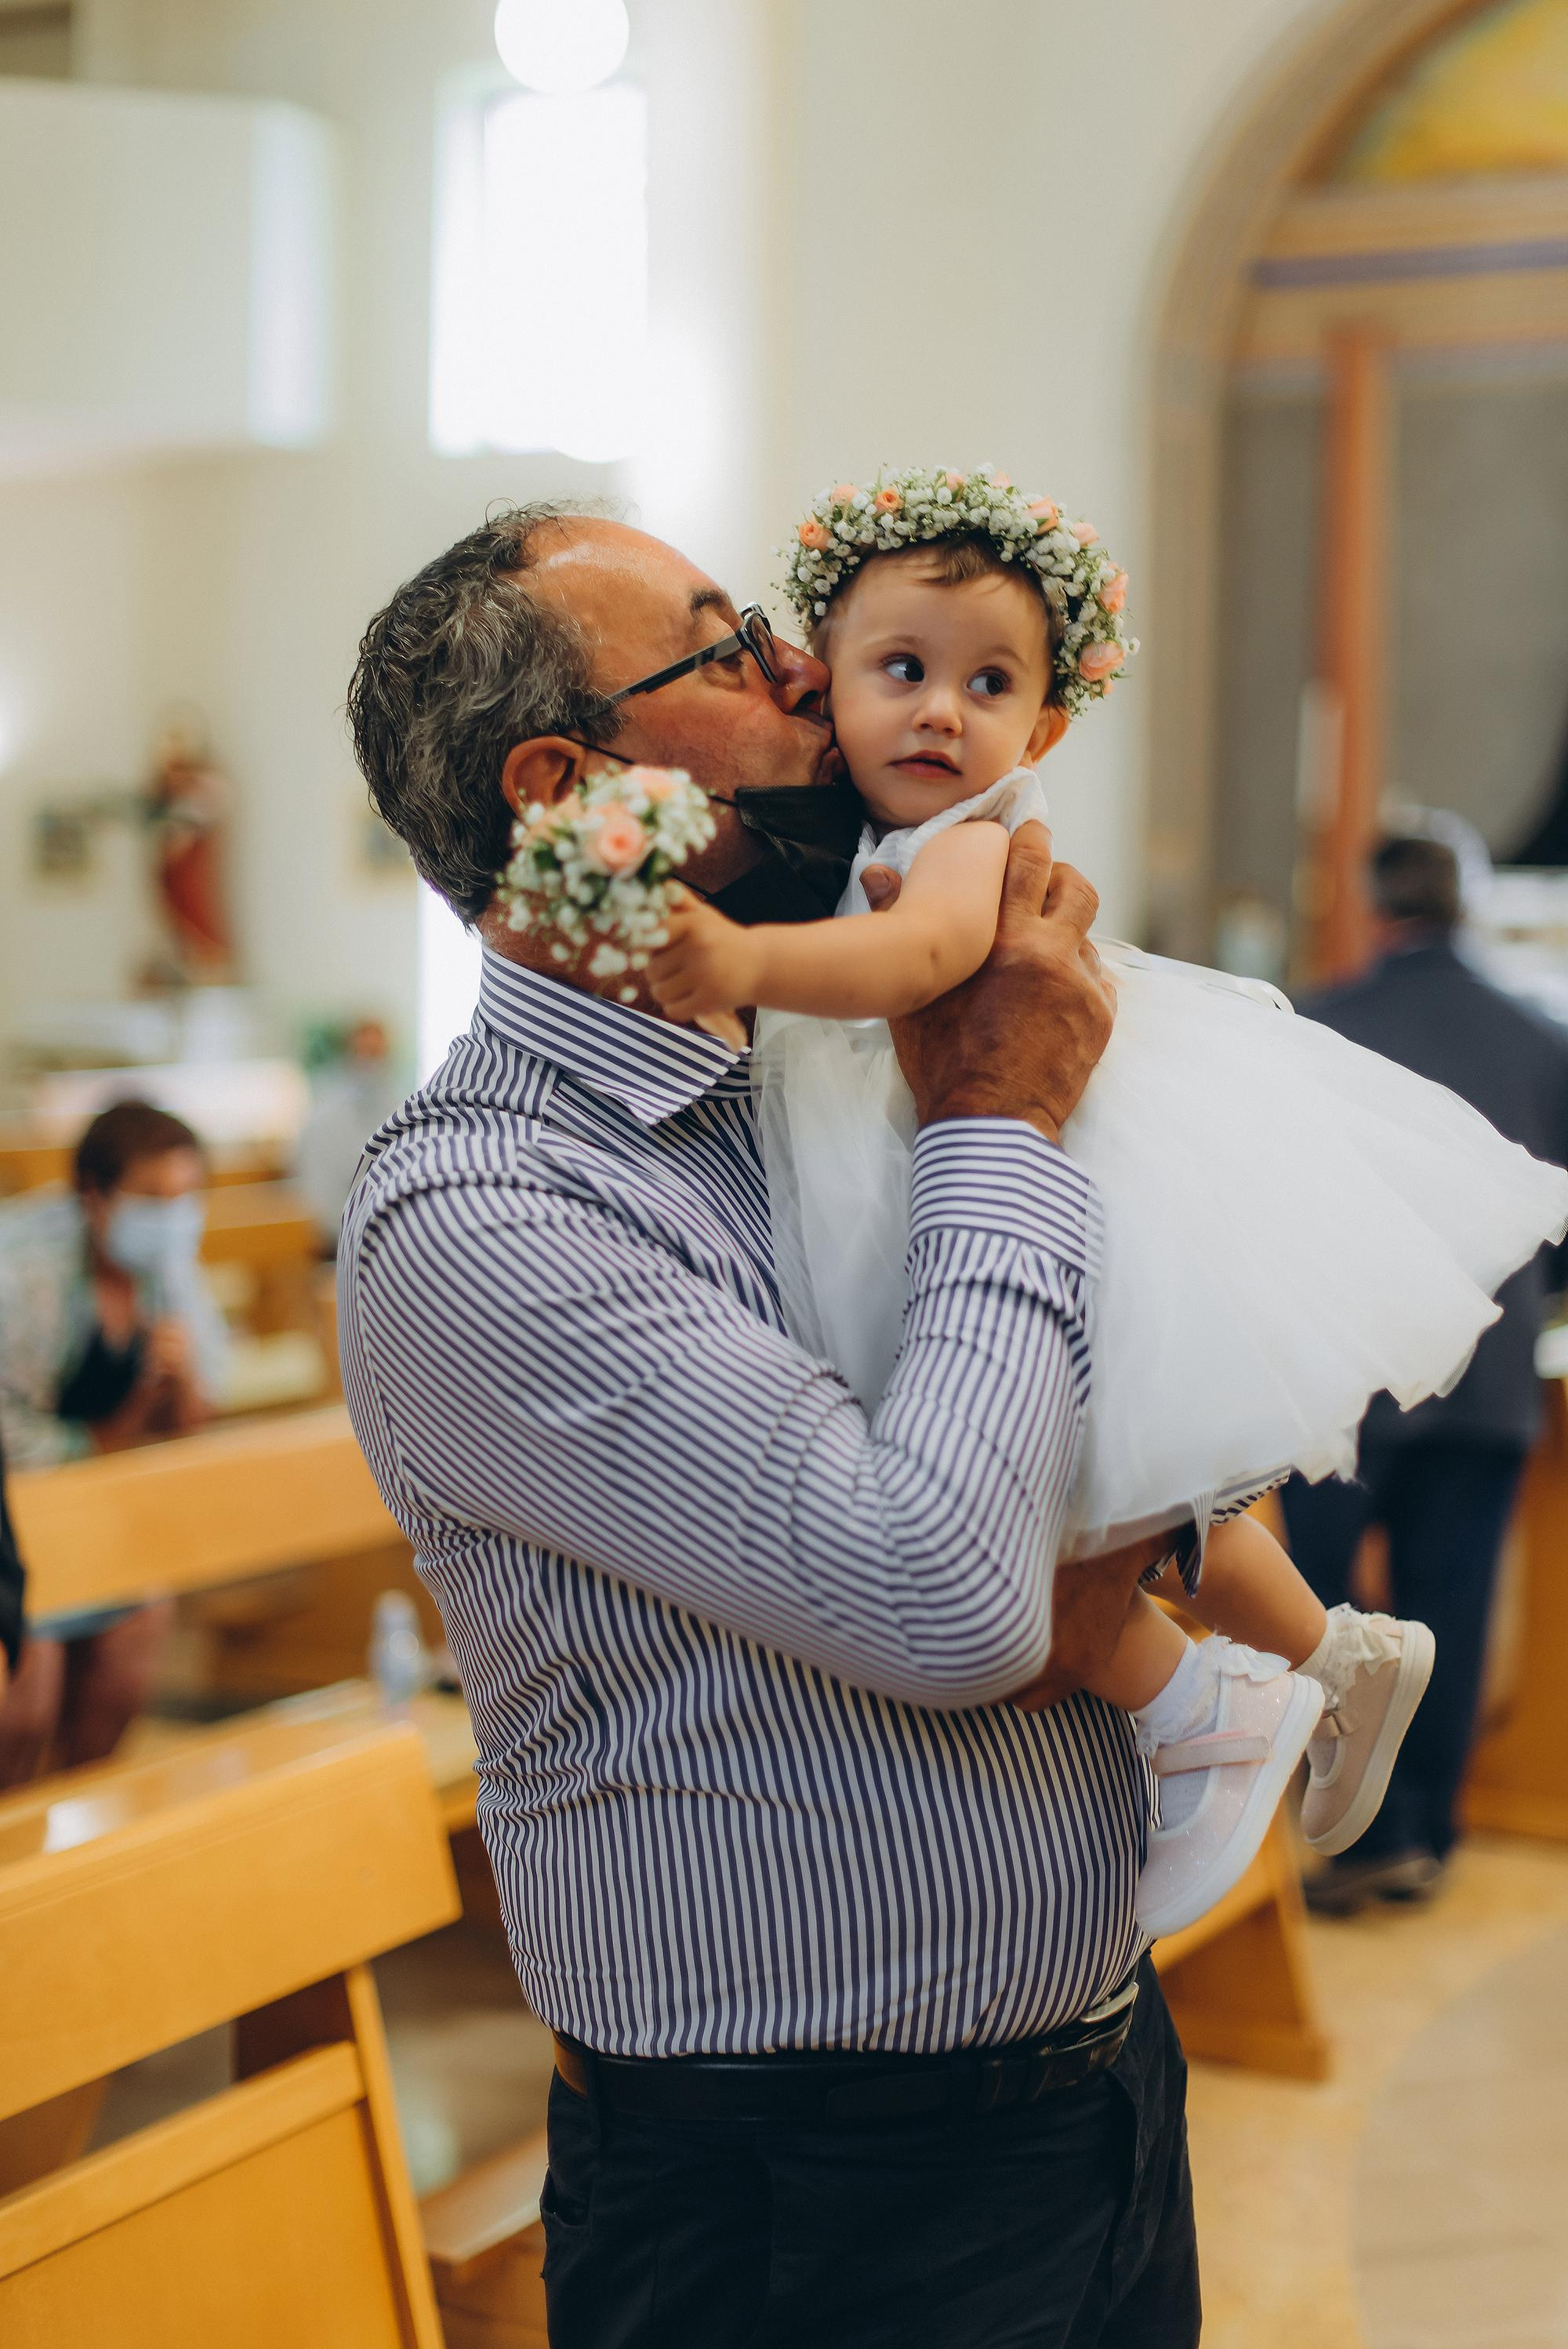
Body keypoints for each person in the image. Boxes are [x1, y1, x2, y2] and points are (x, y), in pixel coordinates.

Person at [343, 500, 1200, 2349]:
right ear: (567, 790)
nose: (812, 670)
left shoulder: (827, 1088)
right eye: (732, 649)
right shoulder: (486, 1211)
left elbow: (1118, 1435)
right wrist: (1000, 1120)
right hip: (803, 2198)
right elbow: (946, 1596)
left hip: (1093, 2099)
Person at [642, 467, 1567, 1937]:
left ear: (1044, 727)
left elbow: (913, 963)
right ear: (825, 686)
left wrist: (742, 965)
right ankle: (1335, 1656)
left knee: (1051, 1522)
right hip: (935, 1168)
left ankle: (1206, 1706)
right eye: (902, 671)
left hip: (982, 1175)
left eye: (988, 684)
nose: (941, 713)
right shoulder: (862, 842)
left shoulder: (961, 845)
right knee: (1138, 1487)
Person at [1283, 833, 1568, 1912]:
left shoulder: (1320, 1025)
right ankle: (1424, 1838)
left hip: (1354, 1372)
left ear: (1372, 907)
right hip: (1489, 1376)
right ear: (1465, 906)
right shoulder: (1542, 1040)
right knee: (1450, 1604)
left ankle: (1356, 1826)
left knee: (1318, 1598)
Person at [0, 1098, 227, 1785]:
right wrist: (104, 1440)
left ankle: (80, 1820)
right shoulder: (22, 1268)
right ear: (93, 1195)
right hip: (13, 1510)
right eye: (153, 1198)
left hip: (87, 1502)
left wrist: (182, 1383)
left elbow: (198, 1418)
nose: (173, 1217)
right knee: (24, 1699)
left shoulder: (169, 1270)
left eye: (187, 1196)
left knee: (136, 1640)